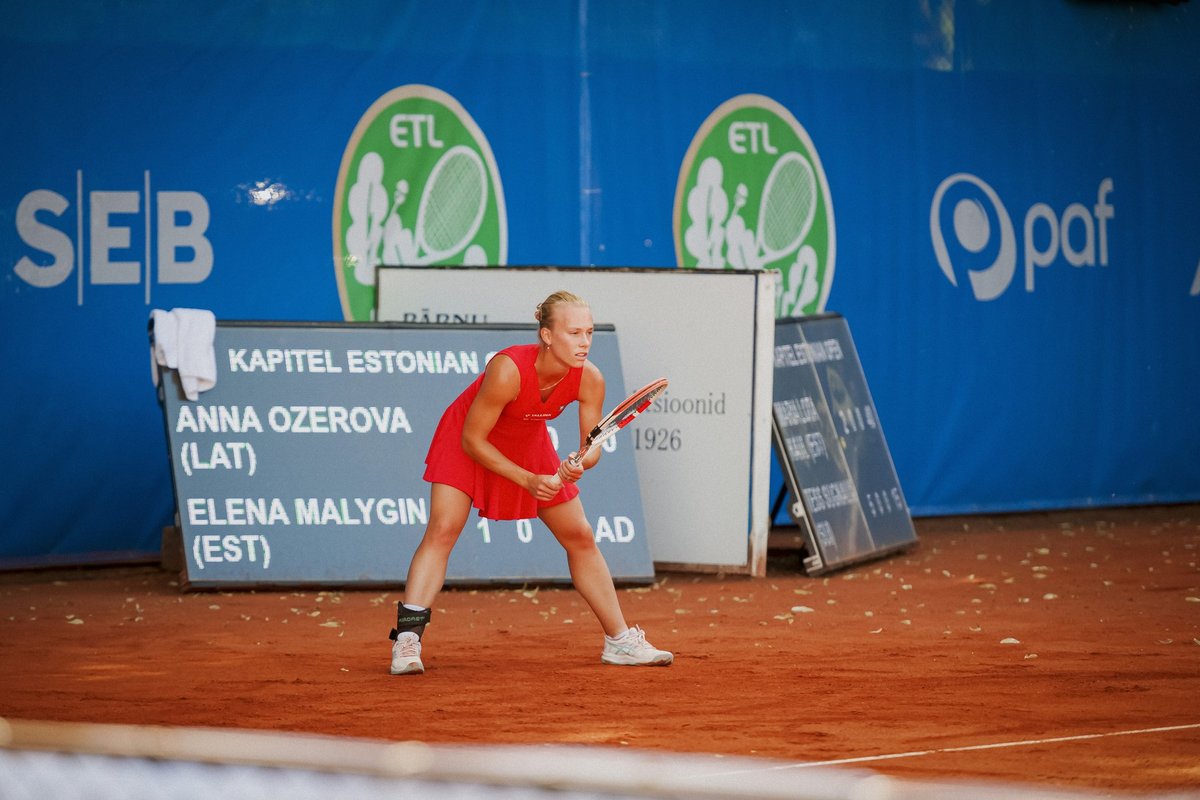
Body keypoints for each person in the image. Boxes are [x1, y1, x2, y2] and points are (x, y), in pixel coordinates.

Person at [389, 290, 673, 674]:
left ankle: (620, 641)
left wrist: (578, 463)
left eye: (589, 332)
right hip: (467, 438)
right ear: (547, 335)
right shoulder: (507, 369)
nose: (584, 342)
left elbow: (592, 447)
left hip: (527, 441)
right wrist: (527, 480)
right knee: (443, 529)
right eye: (574, 333)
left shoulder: (590, 378)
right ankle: (407, 640)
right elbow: (473, 439)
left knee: (580, 535)